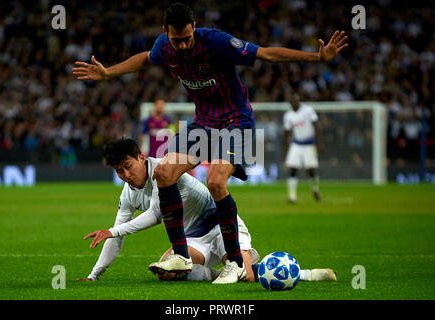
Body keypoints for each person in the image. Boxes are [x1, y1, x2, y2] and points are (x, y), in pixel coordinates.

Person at [73, 2, 348, 284]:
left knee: (216, 181)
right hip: (204, 123)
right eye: (176, 40)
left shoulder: (216, 41)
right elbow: (145, 58)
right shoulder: (164, 46)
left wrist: (316, 57)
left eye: (187, 39)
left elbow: (266, 53)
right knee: (164, 172)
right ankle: (181, 253)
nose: (181, 46)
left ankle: (236, 263)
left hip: (237, 121)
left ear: (194, 28)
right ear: (165, 32)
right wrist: (109, 73)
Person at [77, 137, 336, 283]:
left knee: (245, 277)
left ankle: (304, 274)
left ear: (142, 158)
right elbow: (116, 238)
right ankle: (217, 273)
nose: (125, 174)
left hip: (220, 226)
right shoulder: (128, 193)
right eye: (118, 171)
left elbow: (156, 215)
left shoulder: (164, 170)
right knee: (168, 273)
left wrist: (112, 230)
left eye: (128, 166)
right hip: (192, 238)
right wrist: (94, 276)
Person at [281, 93, 322, 203]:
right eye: (291, 102)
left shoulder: (308, 110)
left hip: (309, 144)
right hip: (296, 144)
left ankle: (315, 189)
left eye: (295, 102)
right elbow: (286, 133)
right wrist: (283, 153)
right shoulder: (288, 115)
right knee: (293, 169)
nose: (293, 104)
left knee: (311, 170)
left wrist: (320, 143)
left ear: (299, 101)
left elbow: (316, 126)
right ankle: (292, 196)